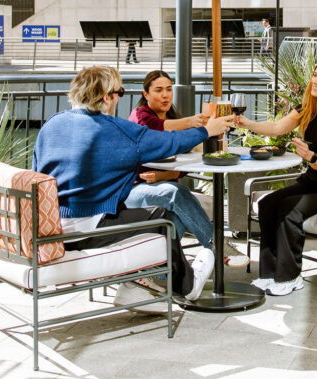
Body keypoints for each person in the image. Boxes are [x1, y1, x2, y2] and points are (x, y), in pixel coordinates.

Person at [32, 64, 233, 308]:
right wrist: (206, 131)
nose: (119, 98)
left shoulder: (52, 124)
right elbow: (169, 142)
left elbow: (37, 175)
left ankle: (138, 286)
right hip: (89, 229)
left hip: (52, 227)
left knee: (156, 211)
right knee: (163, 220)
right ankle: (188, 286)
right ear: (106, 97)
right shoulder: (115, 130)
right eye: (120, 92)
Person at [236, 58, 317, 296]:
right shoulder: (307, 110)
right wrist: (245, 123)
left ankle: (290, 277)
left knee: (290, 210)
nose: (315, 81)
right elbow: (276, 129)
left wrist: (311, 156)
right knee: (268, 204)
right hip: (311, 181)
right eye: (315, 75)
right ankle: (269, 274)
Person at [128, 70, 249, 268]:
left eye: (169, 89)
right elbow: (155, 127)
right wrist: (192, 122)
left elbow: (186, 163)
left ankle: (158, 271)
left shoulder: (175, 119)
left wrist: (165, 175)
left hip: (163, 189)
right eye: (158, 90)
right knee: (177, 193)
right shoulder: (139, 116)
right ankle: (219, 246)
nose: (165, 95)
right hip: (133, 190)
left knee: (176, 214)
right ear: (145, 94)